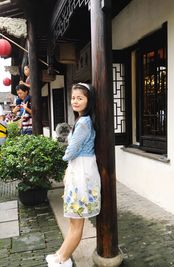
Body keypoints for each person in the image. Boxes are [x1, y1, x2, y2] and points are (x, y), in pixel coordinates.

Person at [46, 83, 101, 267]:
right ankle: (61, 253)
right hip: (79, 170)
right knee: (73, 219)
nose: (75, 101)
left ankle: (63, 259)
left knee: (77, 221)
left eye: (80, 98)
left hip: (81, 172)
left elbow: (72, 150)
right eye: (73, 97)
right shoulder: (81, 120)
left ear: (88, 100)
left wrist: (65, 158)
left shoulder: (84, 122)